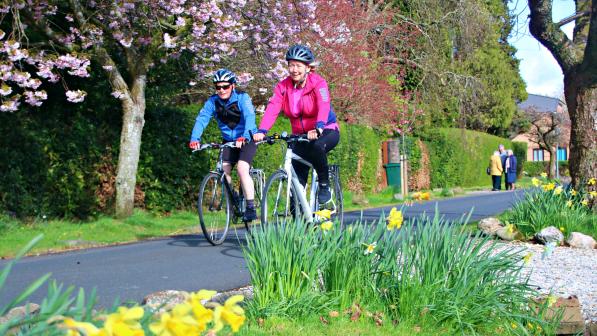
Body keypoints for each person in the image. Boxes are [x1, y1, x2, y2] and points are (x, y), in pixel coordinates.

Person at [252, 44, 340, 204]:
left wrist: (319, 126)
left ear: (308, 67)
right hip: (300, 135)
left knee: (316, 147)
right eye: (291, 65)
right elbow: (273, 108)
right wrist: (262, 130)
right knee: (296, 188)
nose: (294, 70)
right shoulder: (283, 86)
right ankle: (299, 216)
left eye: (298, 66)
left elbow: (324, 104)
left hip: (326, 129)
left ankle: (324, 185)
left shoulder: (318, 83)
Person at [189, 69, 258, 221]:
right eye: (218, 87)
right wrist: (195, 138)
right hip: (228, 141)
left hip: (247, 138)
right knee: (223, 170)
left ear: (233, 86)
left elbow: (249, 116)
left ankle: (251, 207)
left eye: (225, 86)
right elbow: (202, 119)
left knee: (241, 168)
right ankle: (232, 197)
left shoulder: (242, 97)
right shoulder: (212, 101)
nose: (221, 90)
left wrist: (245, 136)